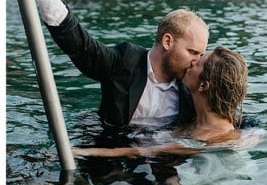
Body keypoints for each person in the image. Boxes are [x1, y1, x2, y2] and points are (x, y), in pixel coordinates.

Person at [20, 0, 208, 130]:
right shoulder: (125, 62)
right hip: (110, 153)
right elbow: (81, 46)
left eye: (200, 55)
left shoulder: (192, 87)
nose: (197, 61)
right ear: (168, 41)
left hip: (163, 158)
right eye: (192, 52)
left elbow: (223, 112)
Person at [74, 46, 252, 157]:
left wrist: (77, 152)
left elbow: (134, 152)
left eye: (198, 63)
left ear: (204, 85)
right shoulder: (194, 123)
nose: (191, 62)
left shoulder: (211, 139)